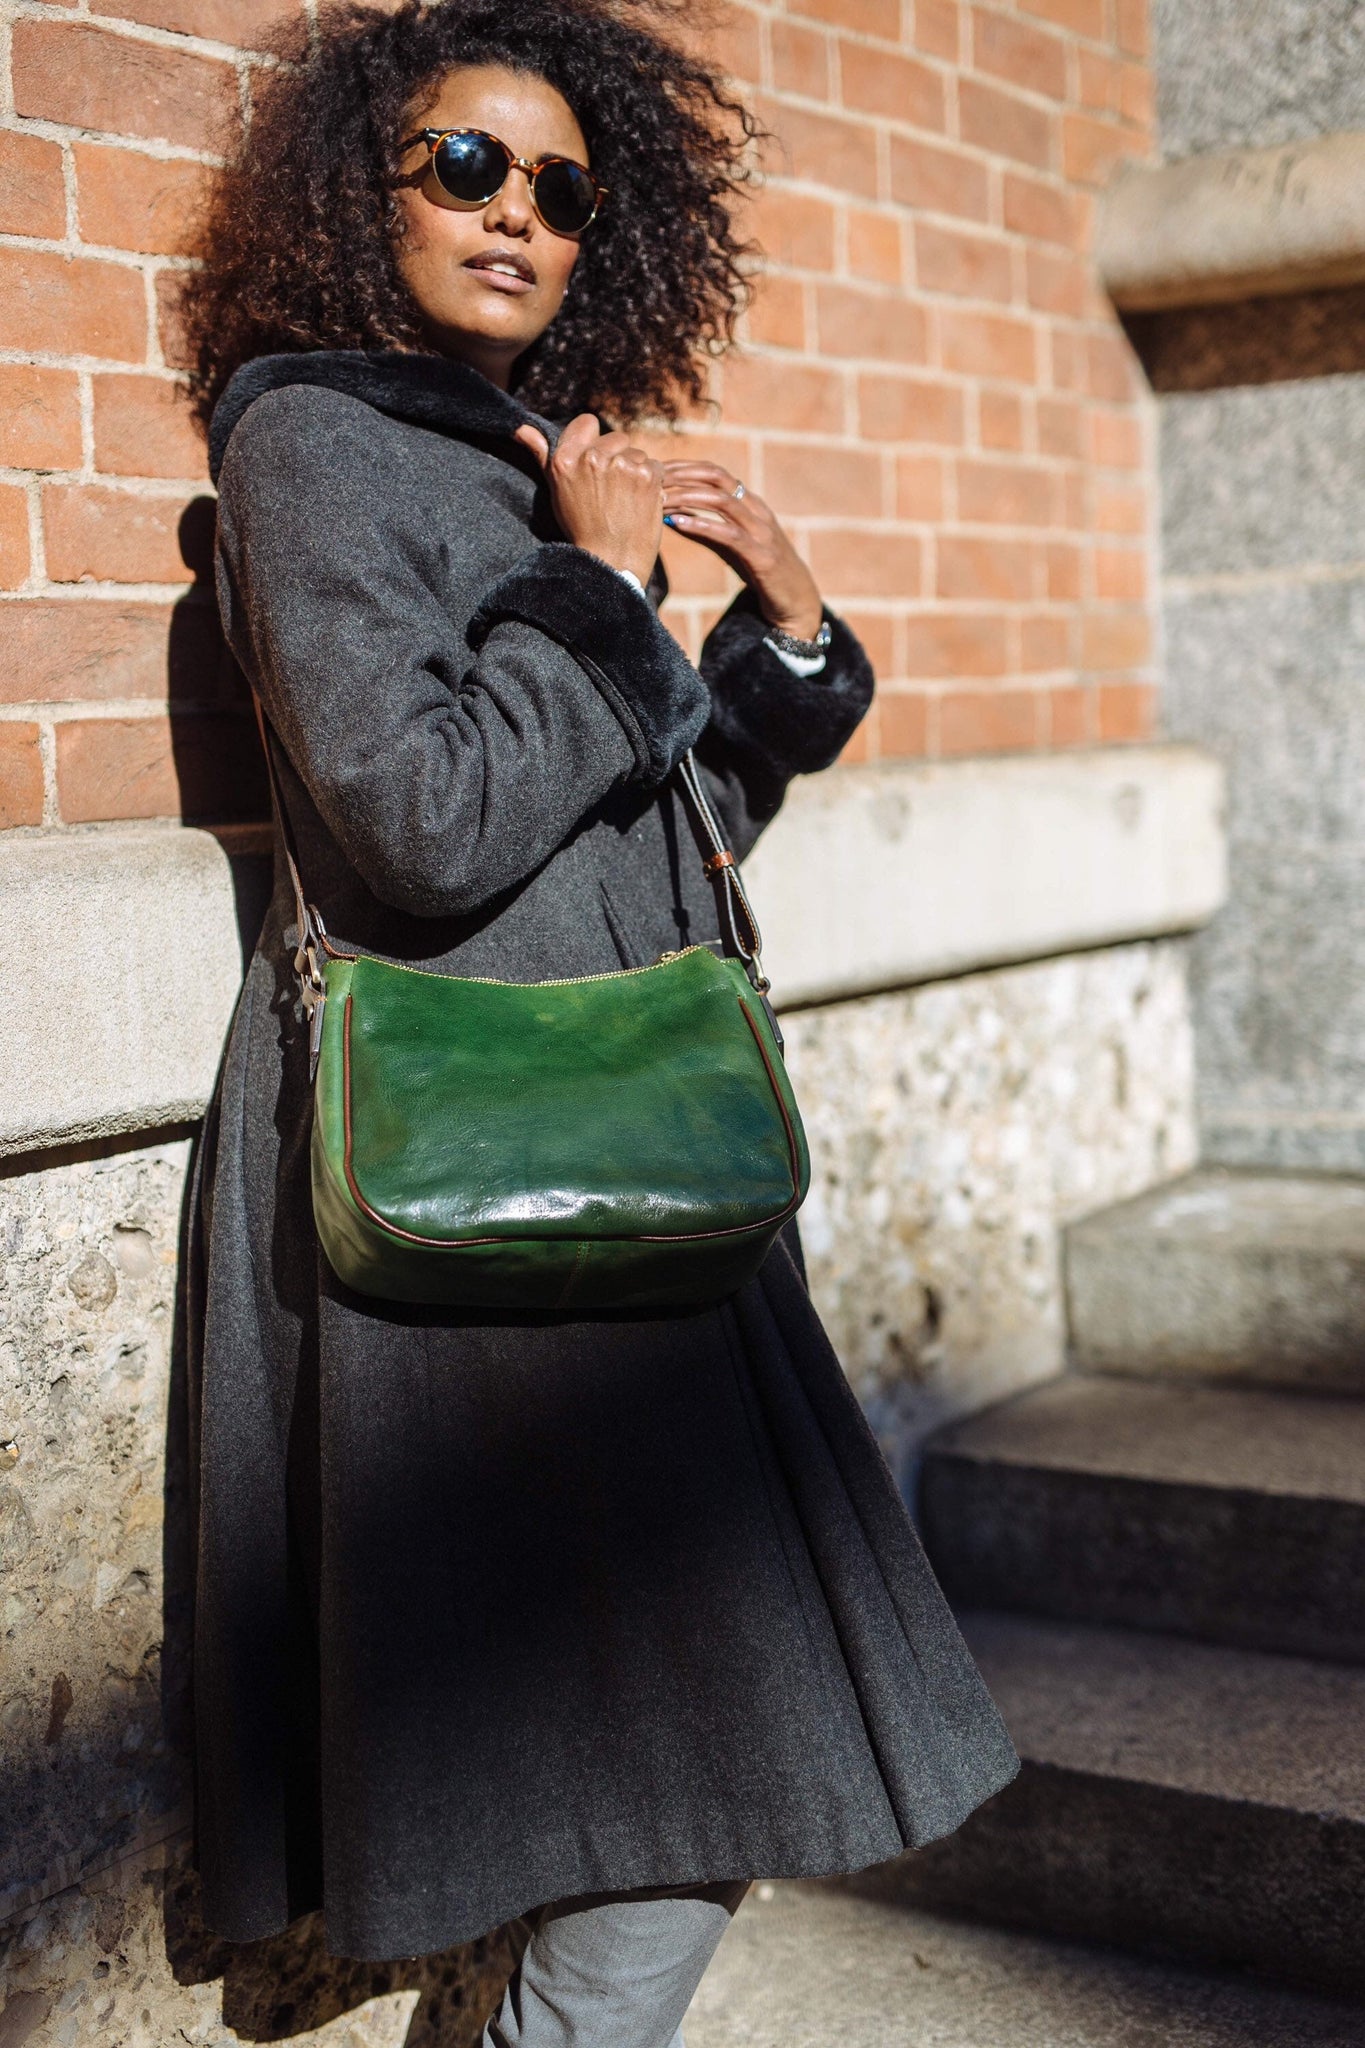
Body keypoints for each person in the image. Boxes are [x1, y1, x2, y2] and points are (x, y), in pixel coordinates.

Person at [181, 4, 1017, 2043]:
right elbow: (419, 815)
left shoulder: (541, 461)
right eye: (467, 166)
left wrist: (778, 638)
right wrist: (601, 593)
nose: (518, 218)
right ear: (360, 193)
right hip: (473, 1166)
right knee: (700, 1752)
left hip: (632, 1145)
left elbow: (653, 819)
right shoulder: (307, 445)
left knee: (698, 1758)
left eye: (562, 193)